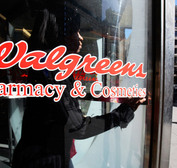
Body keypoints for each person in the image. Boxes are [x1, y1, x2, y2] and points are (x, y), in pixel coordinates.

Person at [12, 3, 145, 168]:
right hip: (46, 160)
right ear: (61, 35)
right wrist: (123, 112)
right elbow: (78, 128)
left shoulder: (46, 65)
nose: (81, 37)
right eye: (76, 31)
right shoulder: (52, 70)